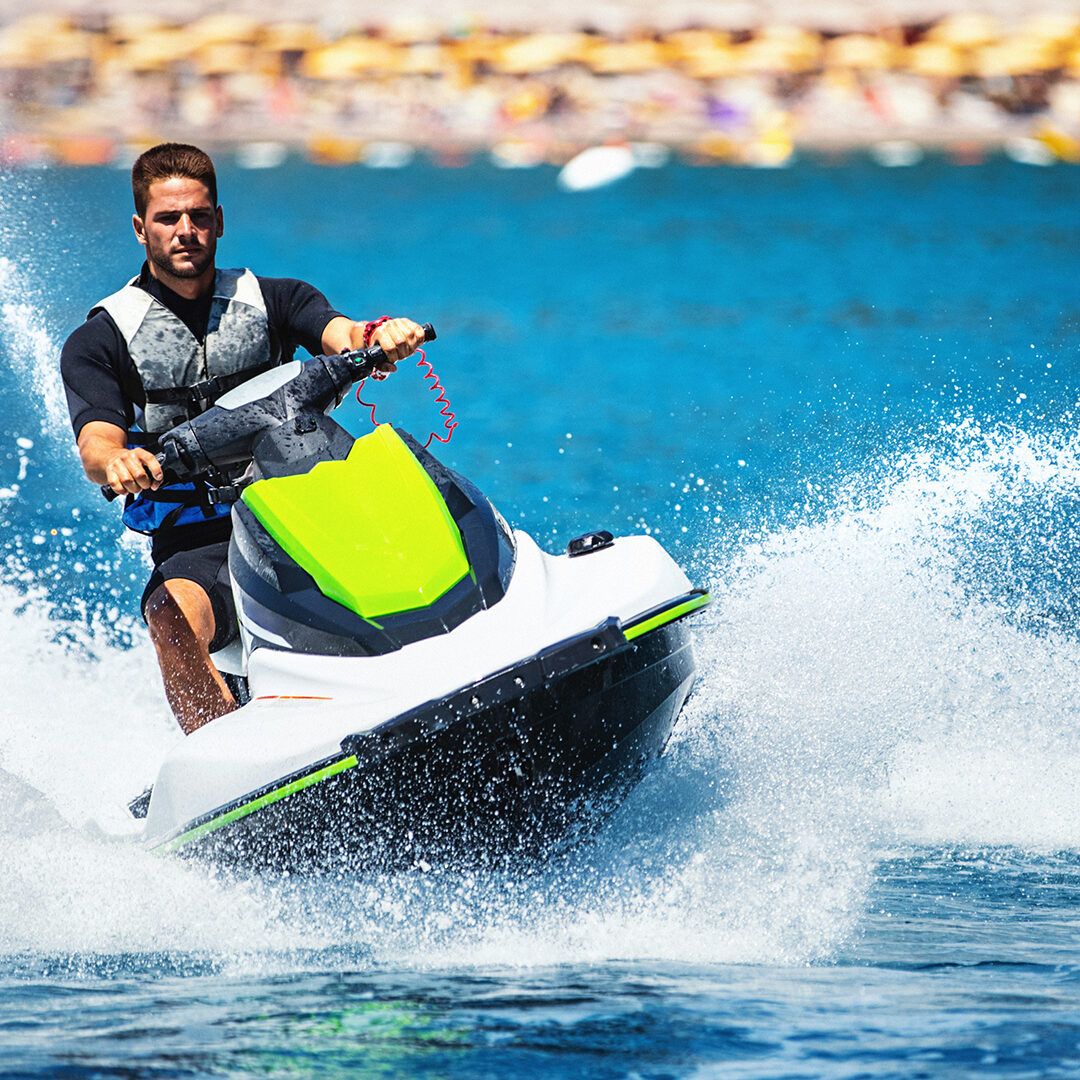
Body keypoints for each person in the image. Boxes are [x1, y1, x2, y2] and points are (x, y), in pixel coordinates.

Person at [61, 142, 426, 735]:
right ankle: (229, 761)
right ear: (140, 227)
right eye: (168, 218)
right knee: (171, 617)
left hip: (304, 501)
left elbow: (340, 332)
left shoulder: (276, 300)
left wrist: (379, 336)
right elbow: (96, 442)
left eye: (199, 217)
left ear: (219, 221)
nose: (186, 231)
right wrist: (118, 461)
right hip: (202, 537)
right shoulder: (101, 340)